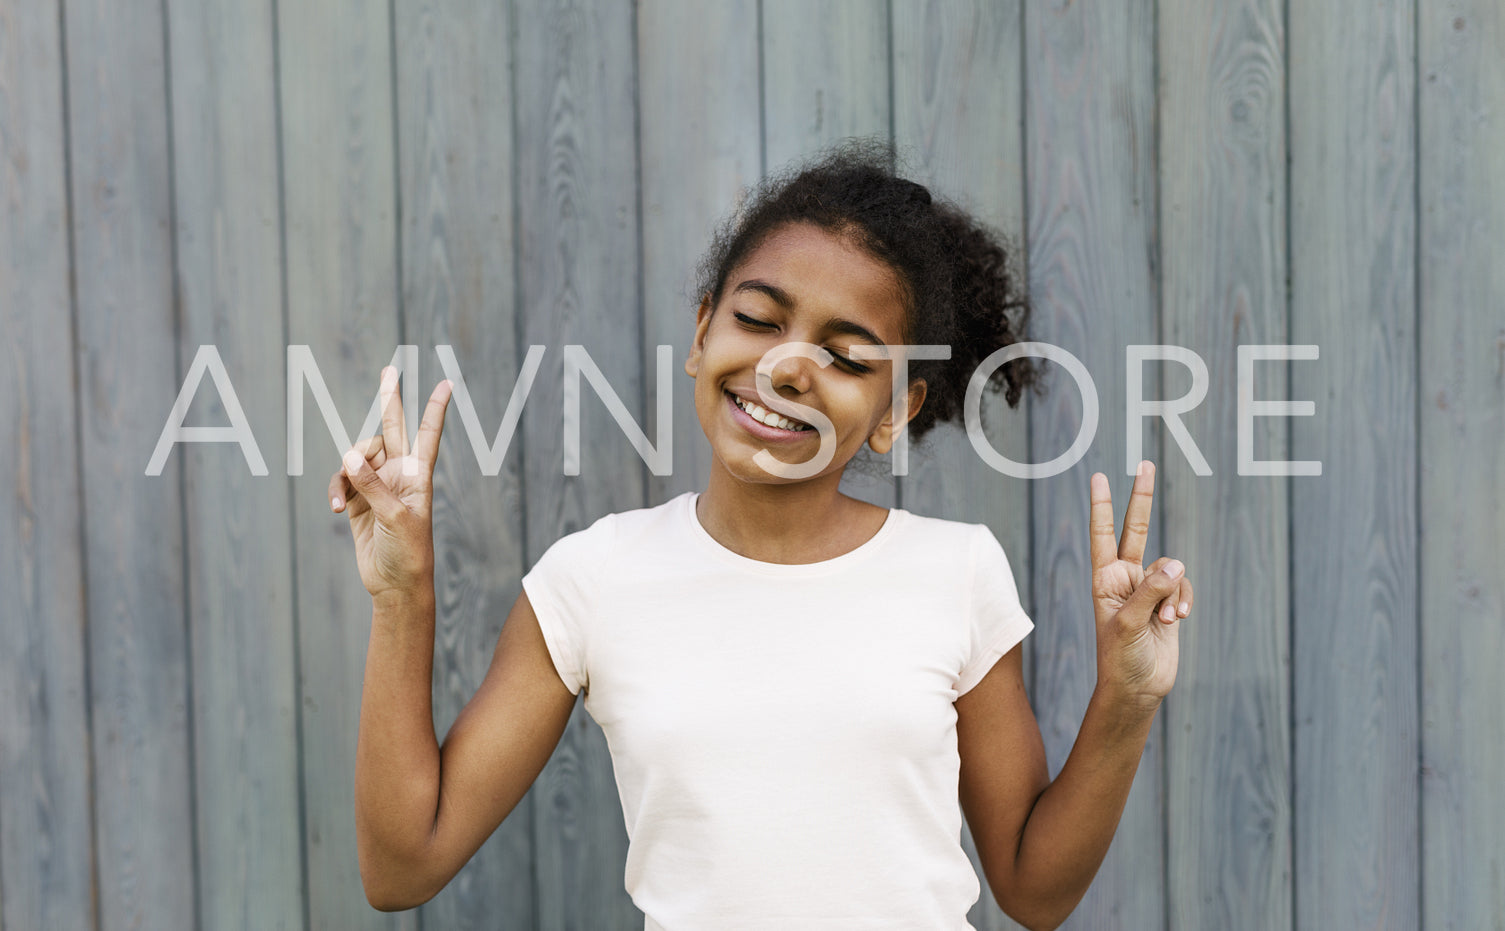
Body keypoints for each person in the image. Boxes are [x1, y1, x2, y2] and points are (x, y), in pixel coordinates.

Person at [329, 141, 1195, 930]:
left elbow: (1034, 891)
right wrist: (403, 595)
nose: (786, 366)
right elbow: (403, 867)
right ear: (702, 332)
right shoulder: (594, 578)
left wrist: (1125, 698)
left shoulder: (955, 571)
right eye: (758, 318)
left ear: (896, 410)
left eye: (848, 357)